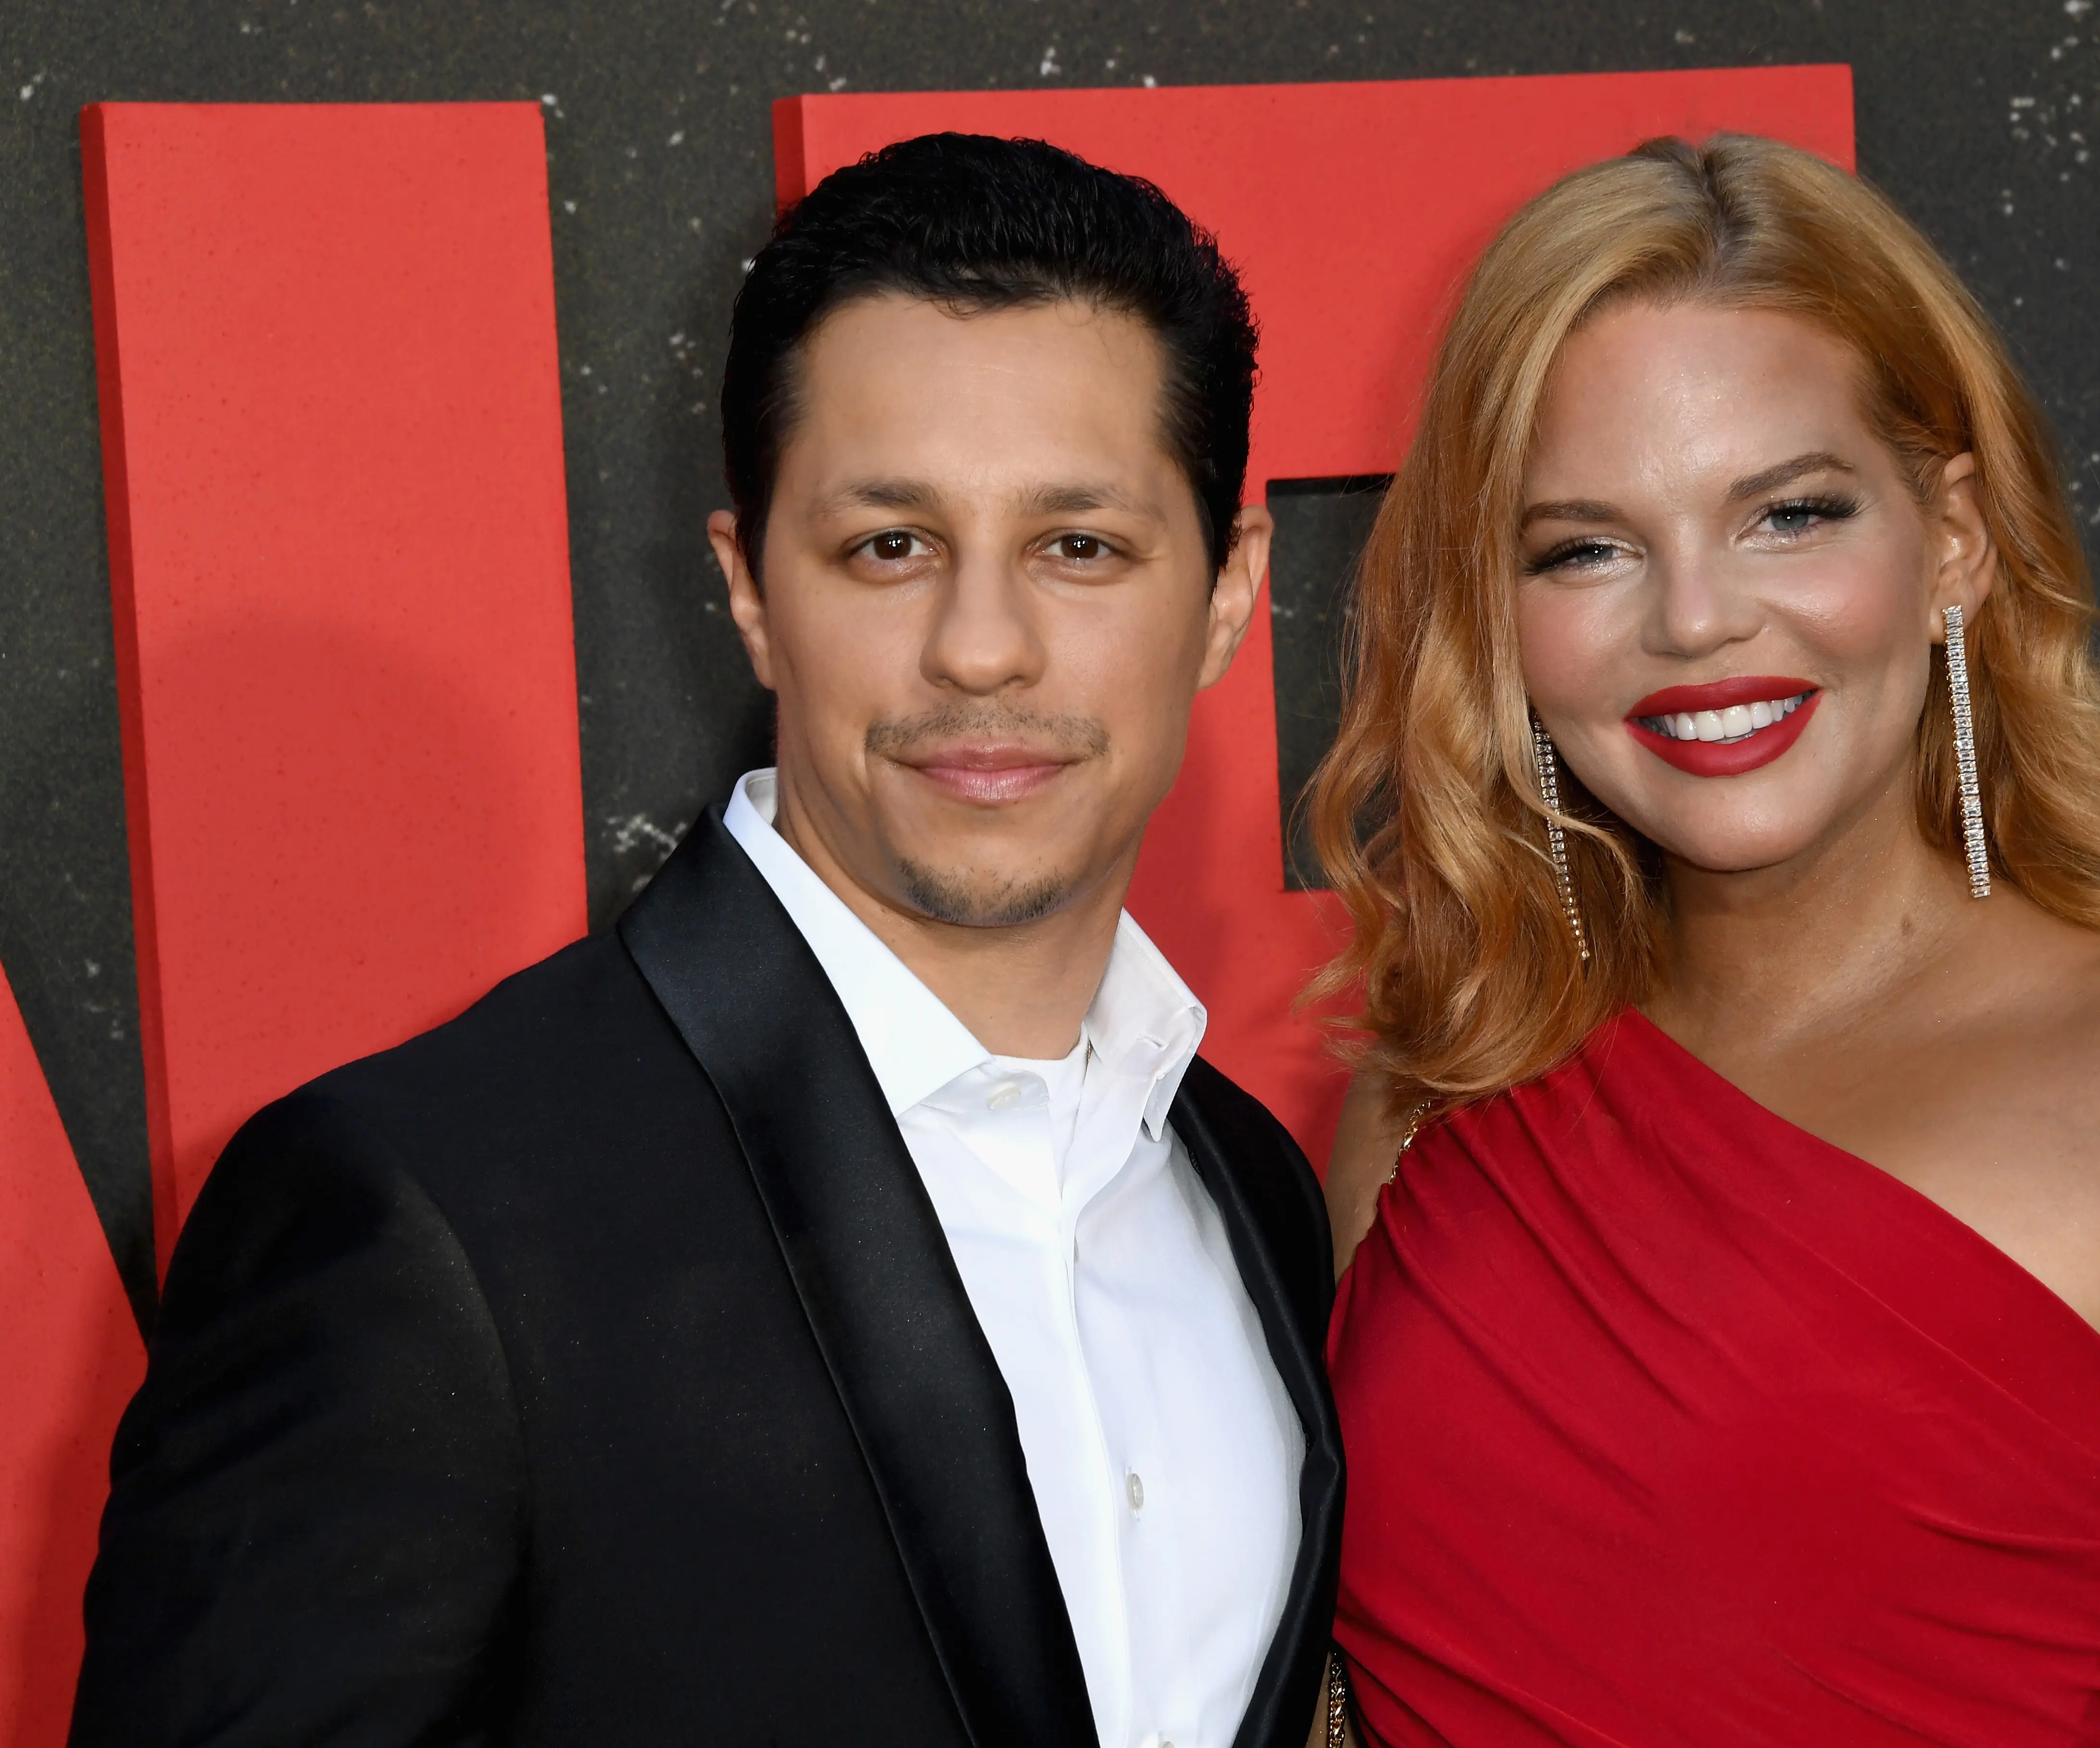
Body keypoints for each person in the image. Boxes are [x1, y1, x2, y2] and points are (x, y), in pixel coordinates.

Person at [73, 133, 1340, 1748]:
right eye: (890, 546)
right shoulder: (427, 1214)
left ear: (1228, 592)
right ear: (751, 592)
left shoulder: (1252, 1192)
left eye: (1078, 546)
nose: (981, 648)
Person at [1312, 134, 2100, 1746]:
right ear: (1498, 614)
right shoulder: (1431, 1096)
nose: (1697, 619)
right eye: (1586, 547)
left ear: (1953, 539)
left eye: (1789, 515)